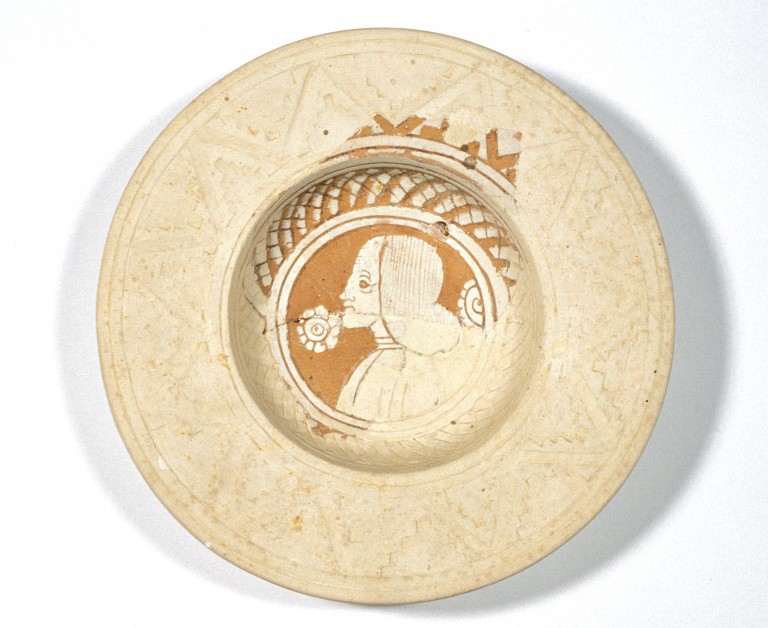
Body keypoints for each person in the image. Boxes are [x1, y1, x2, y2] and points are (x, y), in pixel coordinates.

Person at [336, 234, 476, 423]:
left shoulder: (417, 372)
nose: (345, 294)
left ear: (394, 293)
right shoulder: (374, 361)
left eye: (363, 284)